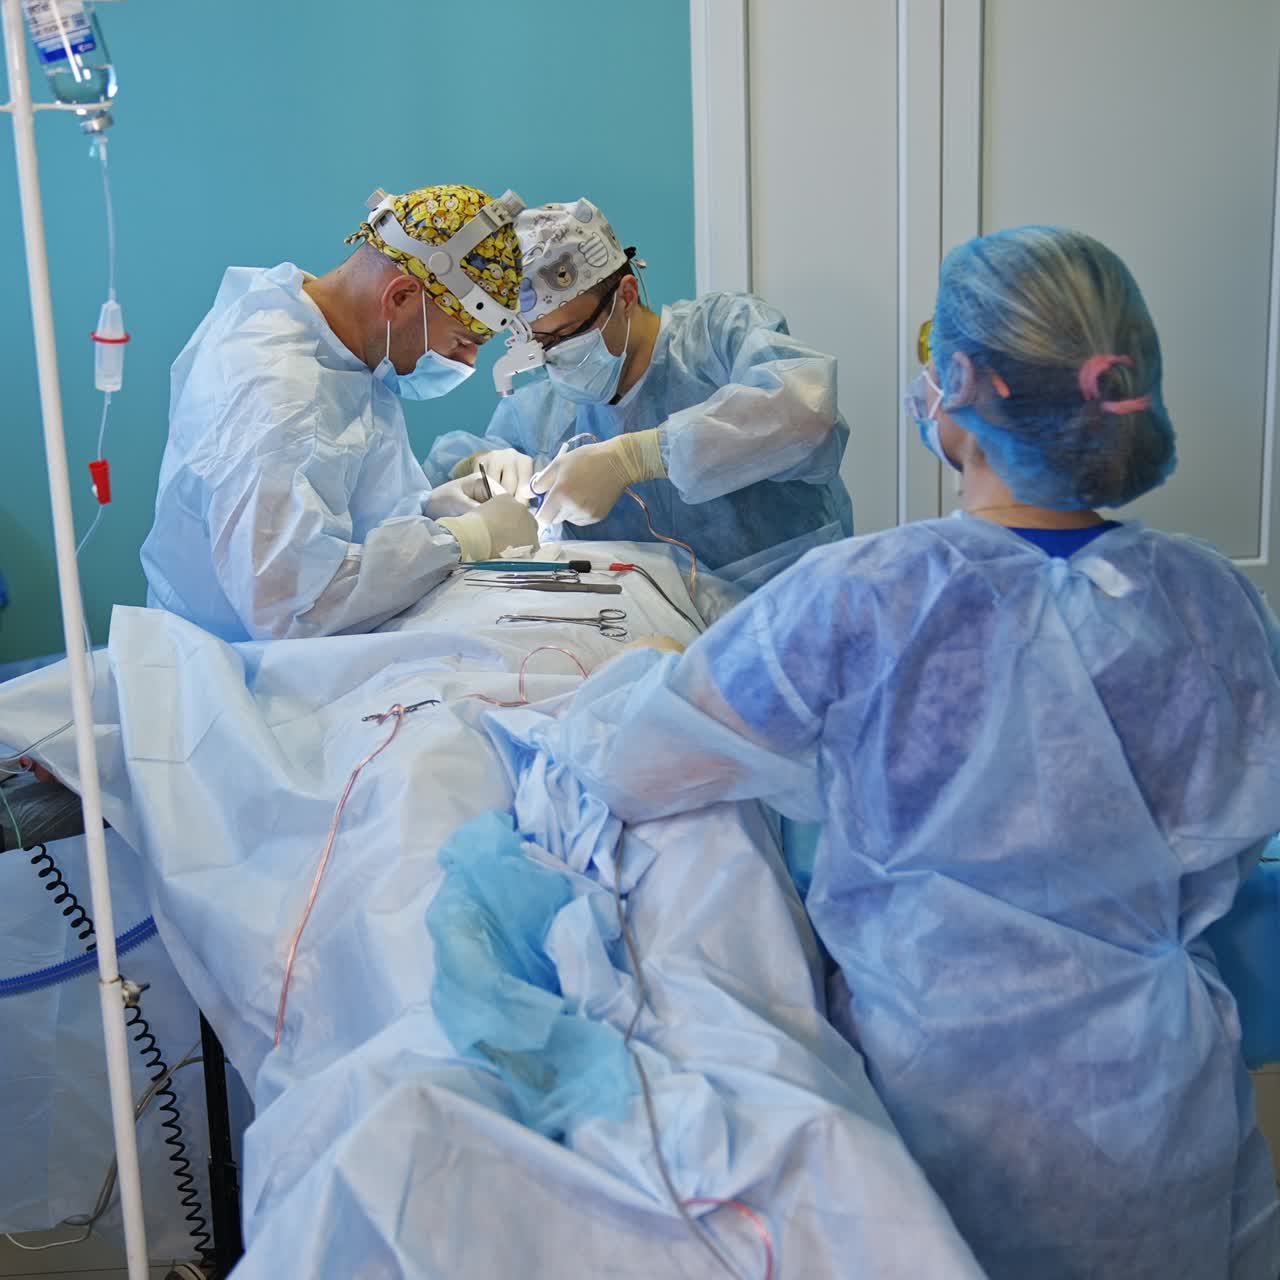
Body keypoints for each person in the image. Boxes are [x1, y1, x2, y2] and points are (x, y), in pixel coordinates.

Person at [552, 227, 1280, 1278]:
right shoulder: (1211, 598)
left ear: (967, 384)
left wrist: (645, 673)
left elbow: (636, 766)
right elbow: (1230, 838)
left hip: (941, 1110)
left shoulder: (867, 593)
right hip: (1155, 1111)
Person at [142, 184, 538, 642]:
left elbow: (339, 511)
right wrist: (460, 541)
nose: (467, 363)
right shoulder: (278, 391)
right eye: (463, 341)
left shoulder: (340, 344)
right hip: (240, 668)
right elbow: (293, 605)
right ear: (401, 297)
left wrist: (430, 510)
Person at [423, 199, 853, 591]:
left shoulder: (719, 334)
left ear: (625, 295)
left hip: (790, 599)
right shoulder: (544, 409)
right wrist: (476, 468)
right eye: (538, 344)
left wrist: (637, 457)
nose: (553, 355)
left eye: (565, 335)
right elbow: (450, 472)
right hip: (647, 633)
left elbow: (803, 410)